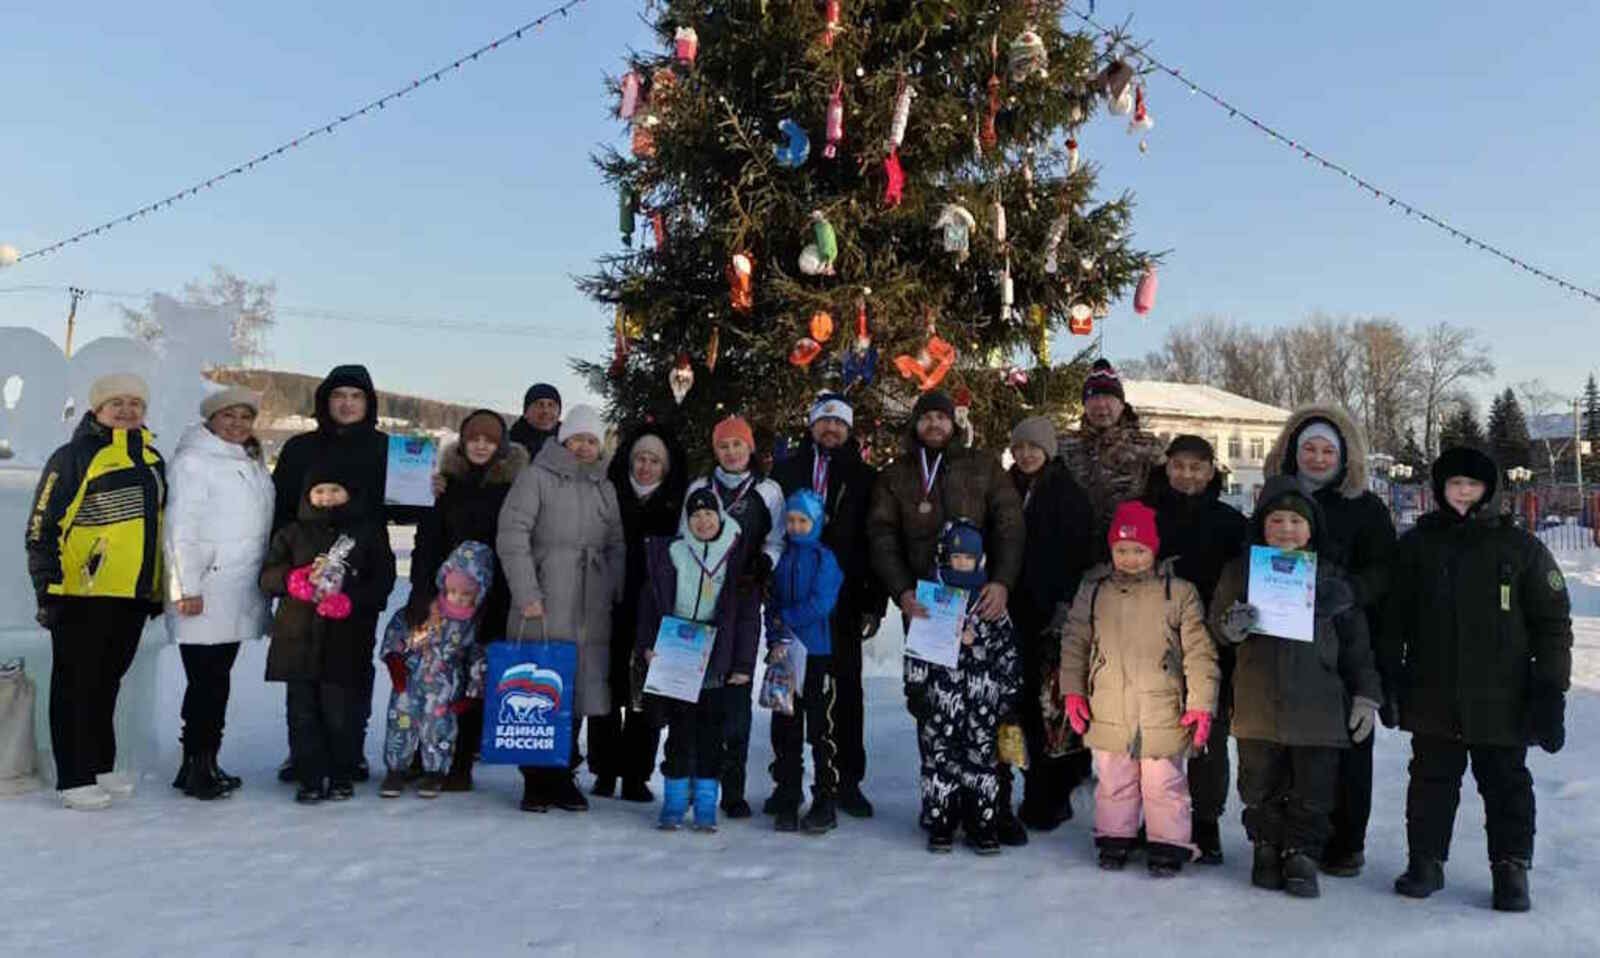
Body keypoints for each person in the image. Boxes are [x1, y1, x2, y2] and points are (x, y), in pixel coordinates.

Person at [1382, 447, 1572, 912]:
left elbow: (1552, 624)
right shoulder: (1417, 547)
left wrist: (1550, 690)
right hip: (1432, 692)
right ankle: (1426, 861)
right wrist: (1389, 676)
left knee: (1507, 784)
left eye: (1472, 484)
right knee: (1430, 781)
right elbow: (1392, 619)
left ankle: (1511, 868)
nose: (1463, 493)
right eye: (1454, 484)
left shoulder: (1521, 548)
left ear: (1489, 490)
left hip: (1502, 695)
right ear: (1440, 491)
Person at [1210, 476, 1383, 899]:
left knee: (1315, 788)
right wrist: (1232, 626)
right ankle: (1266, 847)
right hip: (1257, 704)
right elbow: (1217, 625)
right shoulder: (1241, 572)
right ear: (1261, 526)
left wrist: (1365, 695)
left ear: (1311, 529)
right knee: (1258, 784)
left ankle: (1301, 852)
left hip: (1318, 707)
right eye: (1276, 520)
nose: (1286, 529)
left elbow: (1357, 646)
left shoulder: (1331, 579)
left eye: (1295, 521)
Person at [1263, 406, 1396, 876]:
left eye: (1327, 451)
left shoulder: (1366, 508)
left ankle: (1347, 842)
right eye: (1309, 449)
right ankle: (1294, 837)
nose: (1318, 458)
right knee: (1293, 748)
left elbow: (1385, 570)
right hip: (1286, 644)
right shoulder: (1276, 501)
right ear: (1293, 453)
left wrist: (1350, 592)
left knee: (1349, 745)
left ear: (1344, 457)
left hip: (1345, 642)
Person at [26, 374, 166, 811]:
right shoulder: (72, 456)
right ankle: (74, 777)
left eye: (135, 403)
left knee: (107, 682)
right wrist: (48, 590)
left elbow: (156, 530)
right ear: (97, 409)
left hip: (131, 595)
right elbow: (41, 527)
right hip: (79, 593)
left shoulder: (152, 459)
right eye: (116, 403)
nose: (126, 411)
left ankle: (101, 766)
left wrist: (155, 588)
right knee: (75, 685)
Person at [1059, 501, 1218, 877]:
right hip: (1109, 702)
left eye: (1139, 550)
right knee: (1114, 777)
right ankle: (1115, 837)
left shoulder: (1178, 592)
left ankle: (1167, 844)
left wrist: (1200, 704)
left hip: (1163, 705)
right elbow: (1075, 642)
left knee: (1164, 780)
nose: (1130, 559)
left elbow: (1199, 652)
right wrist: (1073, 692)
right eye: (1122, 550)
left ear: (1154, 549)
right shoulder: (1094, 591)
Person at [270, 364, 402, 784]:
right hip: (304, 572)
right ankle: (303, 754)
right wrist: (285, 568)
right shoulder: (299, 448)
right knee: (303, 668)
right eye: (339, 395)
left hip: (360, 569)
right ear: (326, 400)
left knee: (352, 667)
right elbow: (280, 508)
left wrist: (427, 491)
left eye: (356, 396)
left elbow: (404, 509)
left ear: (369, 403)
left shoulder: (387, 448)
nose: (347, 403)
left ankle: (350, 752)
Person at [497, 404, 625, 813]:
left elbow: (616, 542)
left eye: (592, 440)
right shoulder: (536, 478)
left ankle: (565, 775)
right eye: (578, 439)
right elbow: (512, 535)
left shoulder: (605, 486)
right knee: (539, 686)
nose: (585, 447)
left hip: (591, 603)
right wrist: (526, 591)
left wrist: (616, 588)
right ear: (563, 440)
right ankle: (536, 779)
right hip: (547, 598)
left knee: (575, 692)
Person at [771, 393, 885, 818]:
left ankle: (845, 781)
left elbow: (876, 540)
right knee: (788, 691)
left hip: (844, 600)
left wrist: (874, 601)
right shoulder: (786, 472)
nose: (831, 429)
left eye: (839, 424)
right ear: (812, 425)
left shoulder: (865, 478)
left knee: (844, 692)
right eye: (824, 422)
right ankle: (786, 781)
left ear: (849, 430)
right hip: (793, 599)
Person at [1140, 435, 1250, 864]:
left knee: (1209, 737)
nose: (1188, 474)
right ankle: (1159, 815)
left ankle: (1206, 819)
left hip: (1212, 644)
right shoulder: (1147, 514)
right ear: (1167, 468)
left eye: (1198, 467)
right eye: (1180, 465)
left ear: (1211, 472)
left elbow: (1245, 578)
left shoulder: (1230, 522)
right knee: (1158, 732)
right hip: (1155, 642)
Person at [406, 409, 527, 791]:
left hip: (490, 601)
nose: (480, 445)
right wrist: (421, 592)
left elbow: (516, 548)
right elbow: (426, 543)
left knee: (474, 681)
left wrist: (506, 605)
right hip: (444, 603)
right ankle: (424, 753)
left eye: (489, 440)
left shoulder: (513, 492)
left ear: (500, 446)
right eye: (474, 438)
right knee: (434, 677)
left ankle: (461, 759)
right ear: (462, 441)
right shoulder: (445, 487)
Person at [260, 465, 397, 804]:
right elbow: (267, 575)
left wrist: (350, 599)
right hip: (298, 636)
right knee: (302, 711)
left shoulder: (367, 533)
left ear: (351, 494)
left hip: (345, 636)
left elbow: (383, 580)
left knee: (341, 711)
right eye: (319, 491)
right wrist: (292, 581)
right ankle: (309, 775)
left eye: (335, 490)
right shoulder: (292, 532)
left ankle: (341, 772)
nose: (326, 497)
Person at [163, 386, 274, 800]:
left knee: (216, 680)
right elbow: (181, 528)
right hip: (206, 588)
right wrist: (185, 586)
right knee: (206, 682)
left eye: (245, 417)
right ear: (211, 419)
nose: (237, 424)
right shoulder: (195, 461)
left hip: (237, 587)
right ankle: (198, 768)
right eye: (229, 416)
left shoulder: (248, 460)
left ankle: (201, 762)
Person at [681, 415, 784, 818]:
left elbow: (778, 538)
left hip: (743, 599)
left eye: (737, 445)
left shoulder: (767, 490)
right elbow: (682, 537)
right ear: (715, 450)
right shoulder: (700, 488)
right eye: (723, 446)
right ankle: (691, 778)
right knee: (696, 694)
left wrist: (764, 562)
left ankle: (733, 789)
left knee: (735, 692)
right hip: (700, 600)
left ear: (750, 449)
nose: (730, 453)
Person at [636, 488, 755, 831]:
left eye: (709, 514)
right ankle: (673, 802)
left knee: (710, 736)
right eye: (696, 516)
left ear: (721, 517)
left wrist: (743, 665)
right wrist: (646, 644)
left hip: (716, 661)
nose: (703, 521)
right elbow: (650, 603)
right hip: (677, 658)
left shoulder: (737, 555)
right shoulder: (671, 553)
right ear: (687, 521)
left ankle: (705, 805)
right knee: (679, 734)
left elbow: (747, 616)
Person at [904, 520, 1022, 854]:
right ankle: (941, 821)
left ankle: (982, 822)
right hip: (943, 699)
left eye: (967, 559)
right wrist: (915, 687)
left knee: (982, 762)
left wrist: (1009, 693)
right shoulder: (933, 596)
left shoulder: (990, 602)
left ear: (979, 560)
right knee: (940, 762)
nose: (960, 564)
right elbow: (919, 649)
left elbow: (1007, 650)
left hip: (982, 700)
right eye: (955, 558)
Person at [1005, 415, 1096, 838]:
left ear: (1049, 451)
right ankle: (1026, 786)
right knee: (1021, 704)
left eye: (1034, 448)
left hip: (1055, 613)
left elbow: (1082, 553)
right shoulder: (1006, 486)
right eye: (1020, 447)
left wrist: (1066, 606)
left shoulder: (1066, 492)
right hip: (1012, 610)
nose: (1026, 455)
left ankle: (1052, 796)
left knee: (1052, 708)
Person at [868, 389, 1024, 634]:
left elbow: (1010, 525)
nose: (934, 424)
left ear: (953, 422)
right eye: (926, 418)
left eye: (941, 417)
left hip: (979, 597)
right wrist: (903, 591)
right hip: (923, 600)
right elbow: (882, 535)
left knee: (977, 671)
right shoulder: (895, 474)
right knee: (927, 673)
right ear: (915, 424)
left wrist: (1002, 582)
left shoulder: (984, 466)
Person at [593, 419, 687, 803]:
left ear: (665, 467)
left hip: (653, 610)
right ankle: (603, 771)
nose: (645, 467)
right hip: (608, 603)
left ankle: (636, 775)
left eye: (654, 461)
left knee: (644, 696)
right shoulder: (609, 492)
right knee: (605, 692)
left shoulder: (677, 501)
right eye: (640, 459)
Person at [378, 541, 492, 799]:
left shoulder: (472, 624)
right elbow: (398, 631)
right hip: (408, 682)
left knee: (438, 729)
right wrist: (395, 661)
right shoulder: (424, 611)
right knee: (400, 724)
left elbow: (476, 657)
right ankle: (396, 769)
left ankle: (435, 771)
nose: (458, 598)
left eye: (466, 595)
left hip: (445, 688)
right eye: (453, 591)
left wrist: (472, 693)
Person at [766, 489, 845, 834]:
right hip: (783, 652)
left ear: (816, 522)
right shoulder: (781, 556)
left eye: (804, 521)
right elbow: (770, 599)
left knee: (818, 727)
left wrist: (787, 617)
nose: (797, 527)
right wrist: (774, 633)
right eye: (792, 520)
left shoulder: (824, 559)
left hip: (815, 652)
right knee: (785, 725)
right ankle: (788, 793)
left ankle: (825, 797)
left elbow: (822, 602)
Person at [1057, 359, 1163, 553]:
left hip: (1130, 553)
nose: (1101, 404)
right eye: (1093, 397)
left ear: (1122, 404)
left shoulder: (1149, 447)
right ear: (1084, 405)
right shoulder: (1064, 446)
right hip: (1075, 551)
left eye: (1108, 397)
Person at [510, 383, 562, 460]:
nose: (546, 411)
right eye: (540, 404)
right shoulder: (508, 444)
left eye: (551, 405)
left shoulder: (570, 445)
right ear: (526, 412)